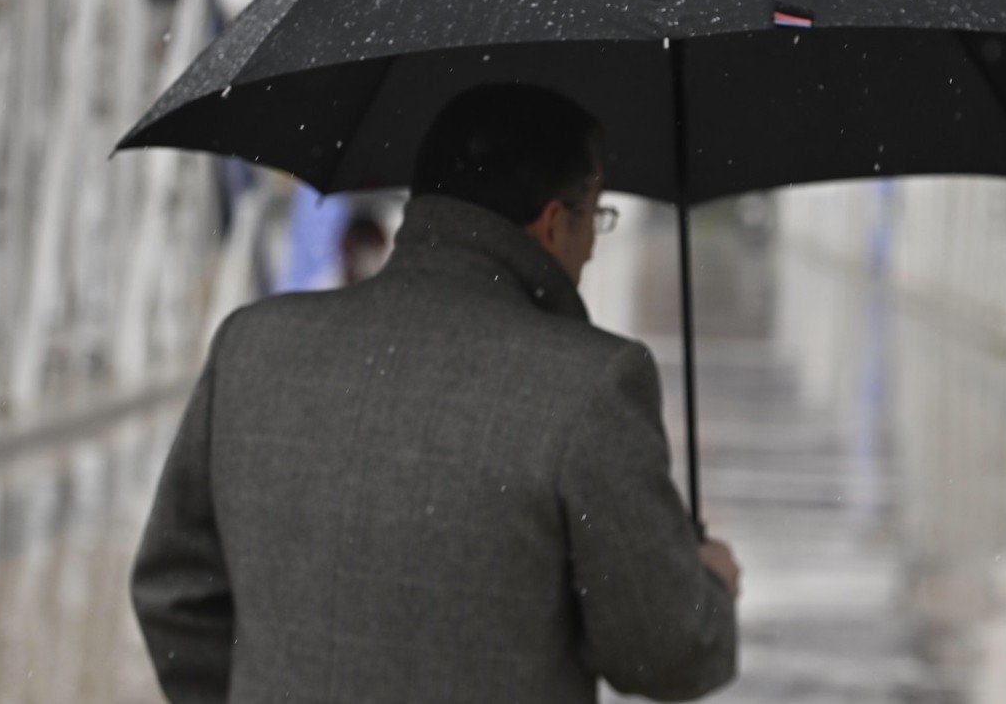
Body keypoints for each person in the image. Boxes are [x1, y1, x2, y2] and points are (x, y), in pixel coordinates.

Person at [131, 83, 741, 703]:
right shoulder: (591, 386)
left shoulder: (252, 347)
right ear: (555, 222)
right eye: (596, 217)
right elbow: (663, 655)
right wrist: (706, 585)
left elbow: (174, 595)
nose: (590, 243)